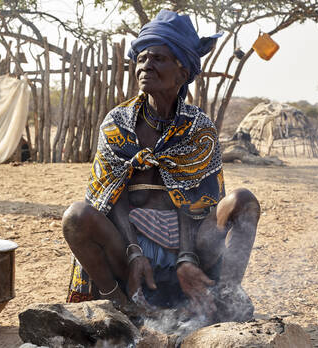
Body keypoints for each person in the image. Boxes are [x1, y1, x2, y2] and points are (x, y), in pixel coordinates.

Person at [63, 9, 260, 322]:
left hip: (193, 244)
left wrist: (186, 257)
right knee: (76, 216)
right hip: (129, 247)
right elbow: (112, 198)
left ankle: (223, 298)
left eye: (158, 59)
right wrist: (134, 252)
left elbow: (196, 203)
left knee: (243, 201)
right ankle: (119, 309)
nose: (145, 66)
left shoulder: (199, 129)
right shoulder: (117, 124)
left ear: (181, 72)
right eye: (141, 58)